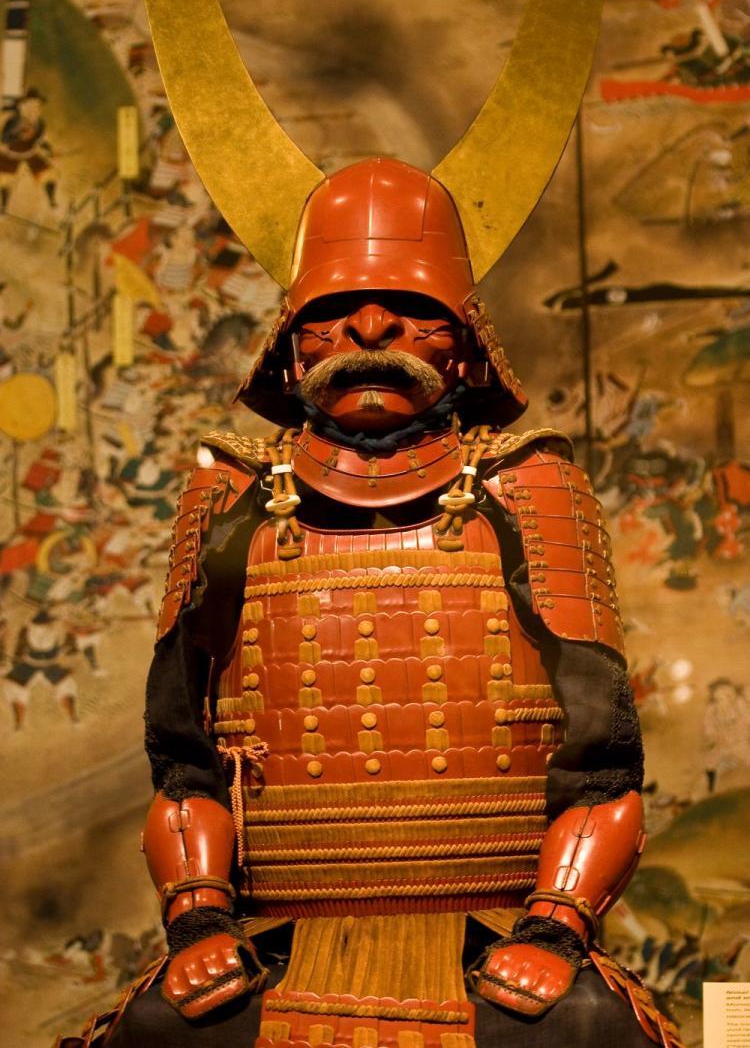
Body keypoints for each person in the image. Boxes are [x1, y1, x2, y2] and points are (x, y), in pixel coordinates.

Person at [62, 159, 681, 1048]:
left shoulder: (530, 486)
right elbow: (183, 760)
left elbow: (604, 766)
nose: (371, 323)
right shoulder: (230, 495)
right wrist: (197, 915)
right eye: (332, 306)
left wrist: (556, 924)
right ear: (290, 340)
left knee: (584, 1029)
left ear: (467, 340)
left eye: (412, 302)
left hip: (501, 923)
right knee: (164, 1030)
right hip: (274, 932)